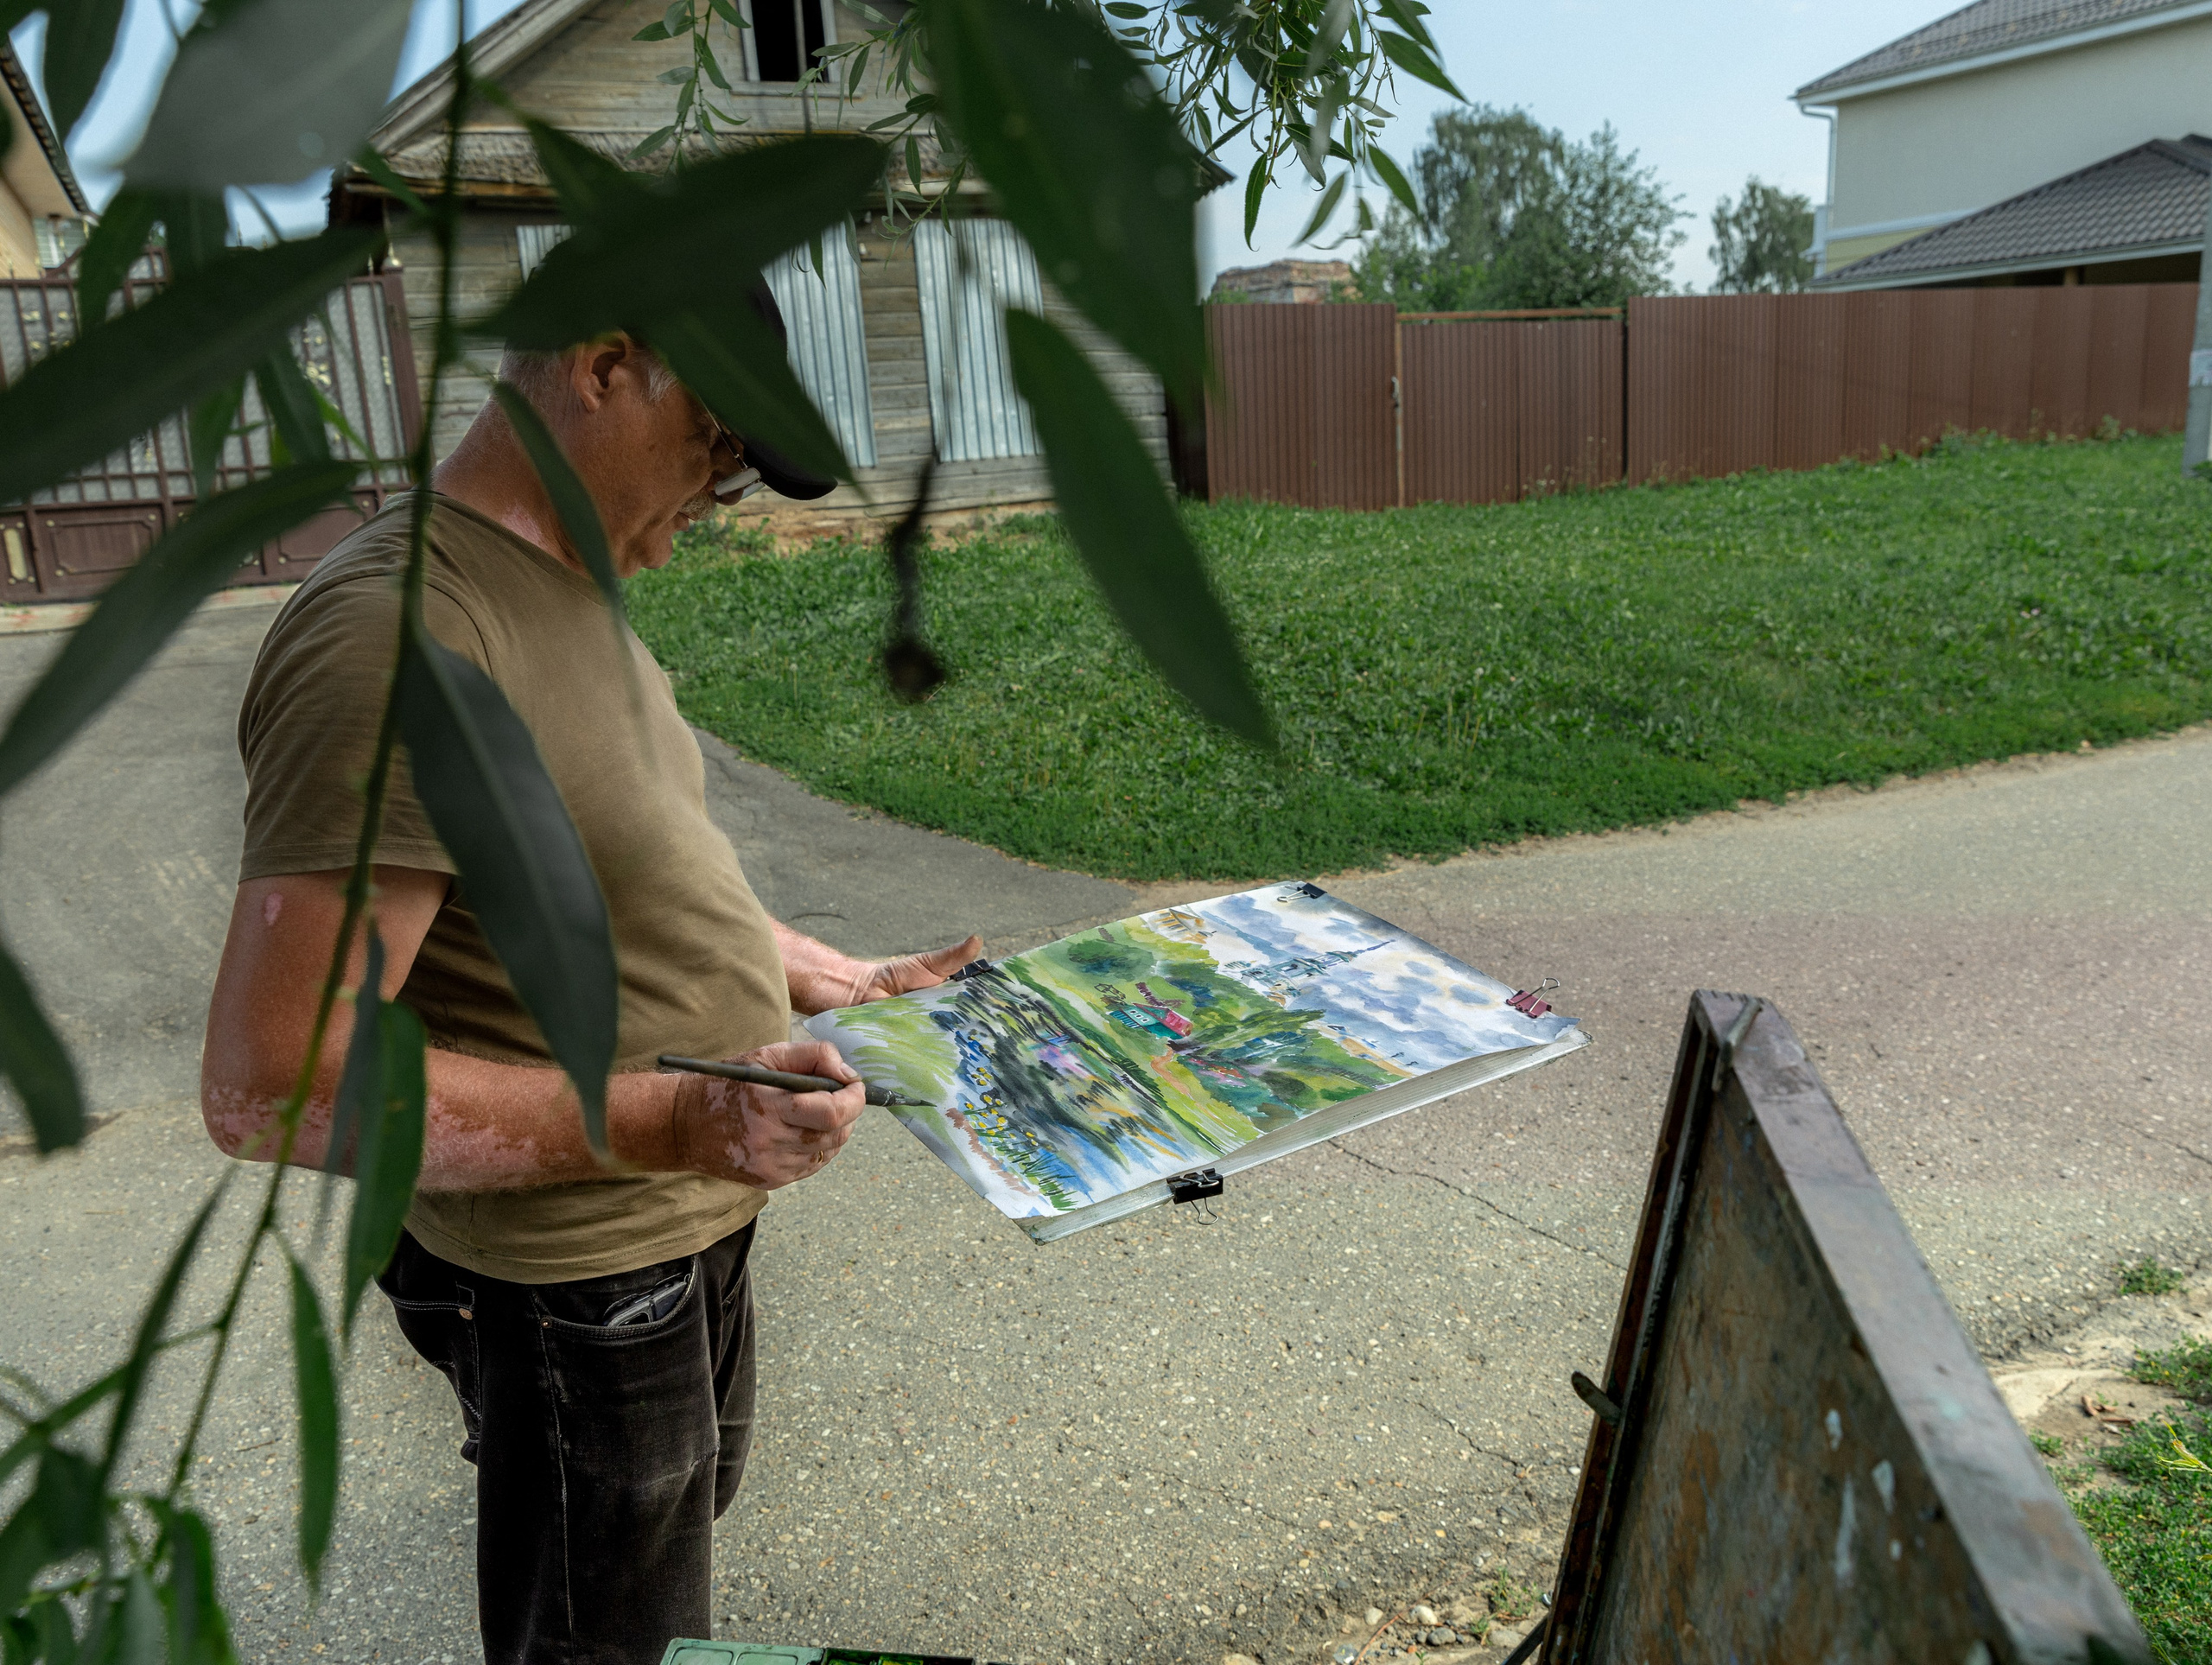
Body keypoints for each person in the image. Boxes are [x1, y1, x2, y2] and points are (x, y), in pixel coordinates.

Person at [200, 327, 979, 1665]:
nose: (709, 503)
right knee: (606, 1643)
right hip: (586, 1278)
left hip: (684, 1227)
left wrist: (834, 978)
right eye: (716, 449)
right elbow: (278, 1085)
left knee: (663, 1573)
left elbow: (619, 873)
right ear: (607, 366)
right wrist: (682, 1123)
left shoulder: (561, 579)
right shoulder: (400, 643)